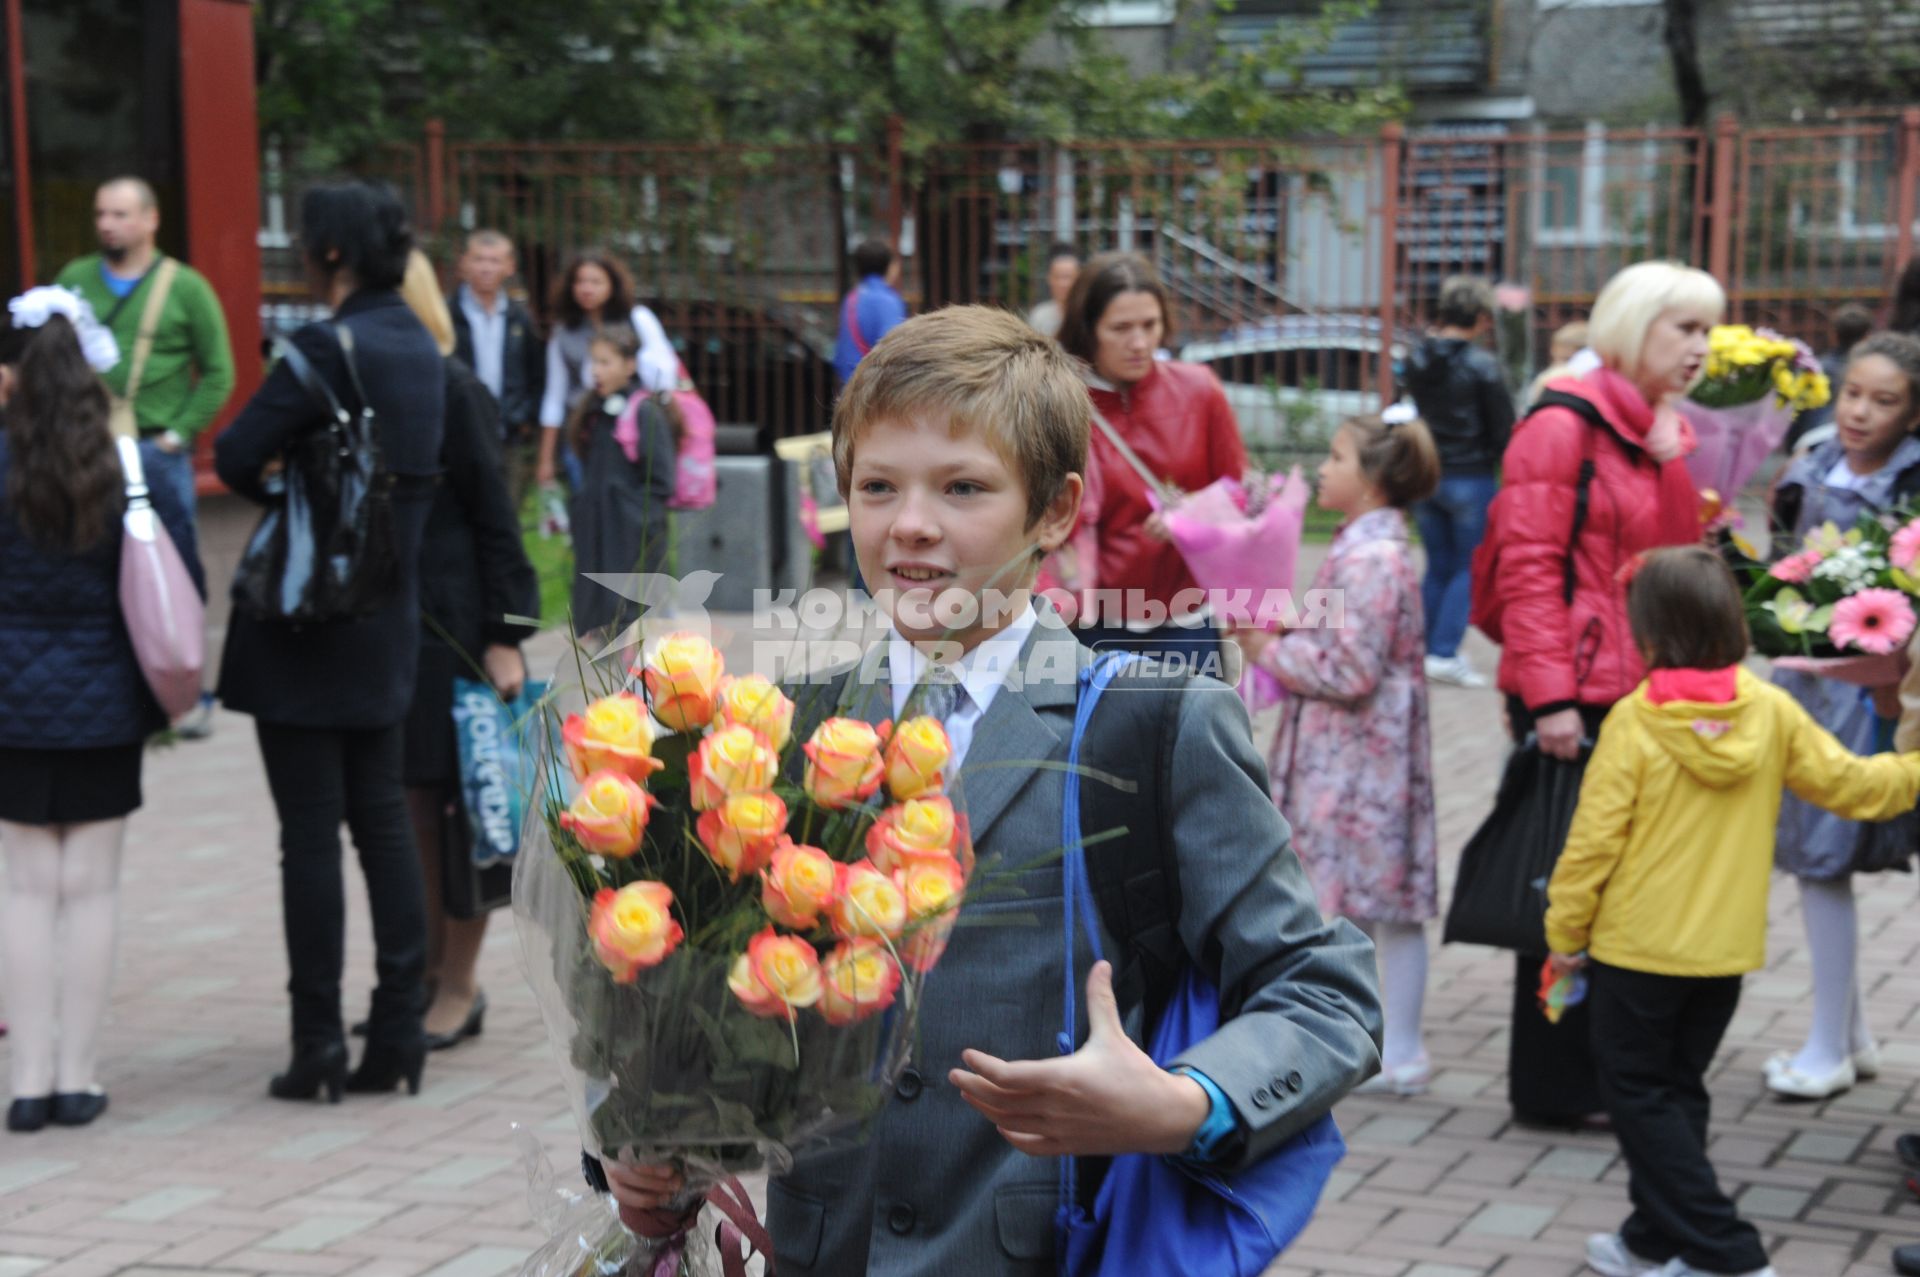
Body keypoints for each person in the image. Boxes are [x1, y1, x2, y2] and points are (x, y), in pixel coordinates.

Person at [599, 305, 1383, 1273]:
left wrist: (1185, 1099)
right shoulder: (775, 733)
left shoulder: (1152, 722)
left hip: (1046, 1247)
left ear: (1054, 509)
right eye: (878, 485)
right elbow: (708, 990)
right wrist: (651, 1133)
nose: (911, 524)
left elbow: (1324, 991)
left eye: (963, 486)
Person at [1546, 545, 1920, 1277]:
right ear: (1735, 626)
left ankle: (1726, 1251)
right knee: (1677, 1087)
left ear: (1647, 633)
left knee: (1639, 1095)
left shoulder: (1634, 721)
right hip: (1724, 953)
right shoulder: (1771, 709)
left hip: (1637, 949)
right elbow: (1855, 788)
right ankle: (1653, 1237)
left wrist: (1563, 933)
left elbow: (1590, 846)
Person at [214, 181, 445, 1104]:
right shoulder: (421, 349)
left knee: (308, 833)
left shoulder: (324, 347)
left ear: (333, 255)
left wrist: (295, 492)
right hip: (388, 619)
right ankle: (398, 1033)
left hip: (305, 621)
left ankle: (315, 1042)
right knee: (382, 822)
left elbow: (234, 456)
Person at [1479, 258, 1723, 1127]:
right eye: (1683, 327)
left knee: (1625, 892)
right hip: (1575, 695)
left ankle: (1609, 1074)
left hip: (1643, 689)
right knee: (1567, 890)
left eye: (1706, 329)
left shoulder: (1660, 430)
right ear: (1633, 326)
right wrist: (1548, 700)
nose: (1700, 346)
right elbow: (1529, 569)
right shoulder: (1562, 425)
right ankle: (1552, 1085)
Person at [0, 290, 204, 1132]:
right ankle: (78, 1077)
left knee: (18, 888)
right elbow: (176, 579)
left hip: (8, 705)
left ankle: (26, 1081)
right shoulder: (135, 470)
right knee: (90, 889)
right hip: (105, 706)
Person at [1236, 408, 1441, 1097]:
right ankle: (1382, 1038)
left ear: (1374, 479)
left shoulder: (1374, 557)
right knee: (1369, 893)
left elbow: (1353, 670)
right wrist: (1294, 624)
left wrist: (1270, 649)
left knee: (1374, 897)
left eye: (1336, 457)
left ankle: (1399, 1046)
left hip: (1360, 758)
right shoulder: (1366, 547)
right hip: (1356, 752)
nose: (1323, 468)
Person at [1761, 332, 1920, 1101]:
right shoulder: (1811, 459)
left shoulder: (1913, 483)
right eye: (1852, 391)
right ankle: (1849, 1035)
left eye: (1883, 400)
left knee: (1825, 855)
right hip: (1801, 677)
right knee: (1804, 848)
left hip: (1874, 691)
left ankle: (1827, 1044)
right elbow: (1784, 558)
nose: (1859, 411)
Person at [395, 251, 539, 1051]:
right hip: (392, 635)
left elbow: (497, 522)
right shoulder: (369, 395)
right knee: (410, 815)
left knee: (463, 820)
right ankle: (420, 974)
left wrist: (505, 636)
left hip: (454, 632)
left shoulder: (457, 390)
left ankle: (458, 982)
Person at [56, 176, 235, 739]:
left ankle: (187, 688)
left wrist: (177, 435)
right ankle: (111, 686)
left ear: (150, 220)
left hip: (155, 449)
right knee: (88, 565)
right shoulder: (74, 282)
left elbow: (219, 373)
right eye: (100, 213)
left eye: (120, 214)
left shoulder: (185, 287)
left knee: (173, 566)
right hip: (87, 450)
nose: (107, 223)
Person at [1060, 251, 1247, 667]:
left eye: (1150, 325)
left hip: (1187, 620)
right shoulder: (1062, 404)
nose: (1140, 342)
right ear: (1088, 329)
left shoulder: (1200, 391)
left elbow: (1242, 492)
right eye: (1121, 328)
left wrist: (1195, 513)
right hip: (1094, 626)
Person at [1403, 275, 1515, 689]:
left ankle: (1424, 648)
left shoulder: (1418, 359)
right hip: (1471, 475)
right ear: (1482, 317)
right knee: (1469, 566)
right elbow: (1503, 427)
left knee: (1438, 565)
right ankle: (1444, 652)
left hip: (1427, 473)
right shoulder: (1482, 365)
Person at [566, 326, 678, 642]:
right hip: (597, 527)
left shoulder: (644, 411)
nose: (596, 371)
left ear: (629, 365)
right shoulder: (593, 411)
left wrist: (634, 517)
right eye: (594, 362)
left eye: (606, 362)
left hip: (629, 533)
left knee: (630, 615)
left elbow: (661, 481)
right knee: (597, 611)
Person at [535, 250, 677, 489]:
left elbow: (664, 374)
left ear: (613, 284)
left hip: (631, 431)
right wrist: (545, 459)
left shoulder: (637, 319)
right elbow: (555, 396)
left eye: (595, 281)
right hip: (585, 431)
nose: (586, 288)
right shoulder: (564, 333)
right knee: (587, 506)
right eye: (579, 281)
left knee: (629, 504)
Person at [449, 230, 545, 512]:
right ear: (464, 264)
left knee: (506, 513)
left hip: (509, 433)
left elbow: (535, 373)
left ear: (509, 266)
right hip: (461, 432)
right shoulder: (448, 314)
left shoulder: (519, 319)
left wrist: (524, 416)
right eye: (479, 259)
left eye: (494, 260)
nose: (486, 268)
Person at [1785, 303, 1874, 454]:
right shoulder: (1872, 373)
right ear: (1867, 336)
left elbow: (1798, 409)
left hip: (1811, 442)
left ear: (1833, 334)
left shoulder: (1816, 368)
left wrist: (1793, 445)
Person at [1525, 319, 1591, 409]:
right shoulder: (1548, 379)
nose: (1559, 365)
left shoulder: (1551, 379)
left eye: (1567, 359)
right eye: (1556, 358)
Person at [1027, 242, 1080, 339]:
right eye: (1057, 276)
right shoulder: (1039, 316)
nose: (1062, 283)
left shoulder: (1088, 315)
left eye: (1067, 277)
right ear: (1049, 278)